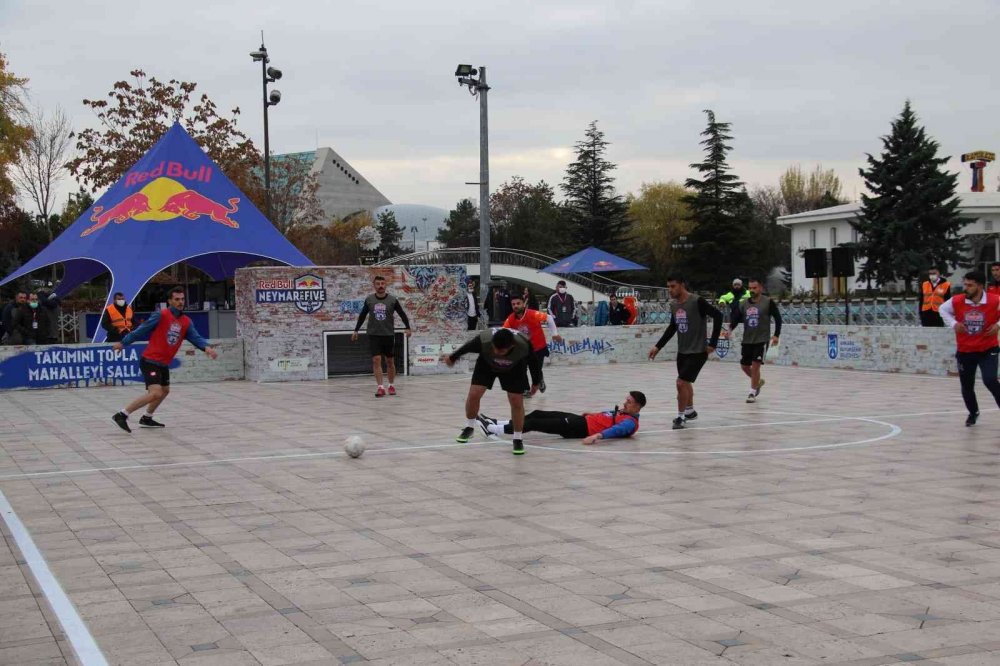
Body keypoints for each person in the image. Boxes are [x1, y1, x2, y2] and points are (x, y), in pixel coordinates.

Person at [110, 286, 217, 433]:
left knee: (165, 390)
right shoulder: (161, 315)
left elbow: (195, 337)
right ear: (169, 301)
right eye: (177, 299)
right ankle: (122, 415)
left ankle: (147, 417)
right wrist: (123, 343)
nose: (180, 302)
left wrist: (207, 348)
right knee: (156, 393)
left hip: (163, 363)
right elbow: (141, 330)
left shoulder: (186, 321)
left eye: (182, 299)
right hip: (150, 360)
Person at [442, 328, 539, 455]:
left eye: (501, 351)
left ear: (512, 346)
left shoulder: (524, 345)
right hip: (487, 364)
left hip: (514, 367)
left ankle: (517, 438)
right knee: (474, 394)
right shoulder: (484, 340)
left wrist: (536, 382)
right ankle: (469, 427)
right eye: (495, 348)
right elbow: (467, 347)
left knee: (516, 401)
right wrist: (453, 357)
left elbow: (534, 363)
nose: (497, 352)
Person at [648, 274, 723, 429]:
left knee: (680, 382)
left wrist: (713, 342)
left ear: (682, 285)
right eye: (668, 286)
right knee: (685, 382)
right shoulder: (674, 305)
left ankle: (680, 417)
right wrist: (658, 346)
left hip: (698, 351)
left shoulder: (697, 301)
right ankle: (689, 411)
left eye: (673, 286)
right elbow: (672, 327)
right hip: (683, 351)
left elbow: (718, 315)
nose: (670, 289)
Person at [939, 270, 1000, 427]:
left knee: (990, 380)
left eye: (970, 285)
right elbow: (942, 310)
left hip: (988, 349)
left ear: (980, 286)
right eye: (965, 284)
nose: (966, 288)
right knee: (967, 385)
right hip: (965, 350)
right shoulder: (957, 300)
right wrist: (954, 324)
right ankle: (973, 412)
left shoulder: (994, 300)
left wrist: (998, 325)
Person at [478, 390, 646, 445]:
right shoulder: (624, 413)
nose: (625, 403)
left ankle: (494, 429)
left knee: (537, 423)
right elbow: (607, 416)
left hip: (580, 428)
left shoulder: (630, 423)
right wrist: (591, 414)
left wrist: (596, 436)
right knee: (537, 413)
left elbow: (615, 430)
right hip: (581, 420)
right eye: (626, 400)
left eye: (629, 402)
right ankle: (499, 422)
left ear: (637, 406)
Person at [352, 274, 413, 397]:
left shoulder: (392, 300)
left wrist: (408, 327)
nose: (380, 286)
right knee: (376, 360)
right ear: (374, 286)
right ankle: (380, 387)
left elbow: (402, 313)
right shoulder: (369, 300)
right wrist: (356, 330)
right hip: (374, 334)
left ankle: (391, 385)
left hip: (388, 334)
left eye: (382, 284)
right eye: (378, 284)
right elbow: (363, 315)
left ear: (385, 285)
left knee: (390, 361)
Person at [729, 277, 782, 403]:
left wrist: (776, 335)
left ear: (760, 288)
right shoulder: (744, 303)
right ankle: (758, 381)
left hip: (761, 339)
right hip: (748, 339)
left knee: (756, 365)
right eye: (750, 288)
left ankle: (752, 392)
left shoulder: (768, 302)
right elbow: (736, 318)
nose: (752, 290)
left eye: (755, 288)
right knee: (744, 366)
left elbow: (778, 318)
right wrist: (730, 329)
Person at [502, 293, 562, 396]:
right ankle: (525, 389)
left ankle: (540, 379)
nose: (516, 306)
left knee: (536, 370)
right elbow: (504, 331)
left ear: (523, 304)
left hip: (538, 348)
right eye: (513, 304)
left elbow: (549, 318)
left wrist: (555, 334)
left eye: (518, 303)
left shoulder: (533, 314)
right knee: (521, 368)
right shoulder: (511, 319)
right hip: (523, 349)